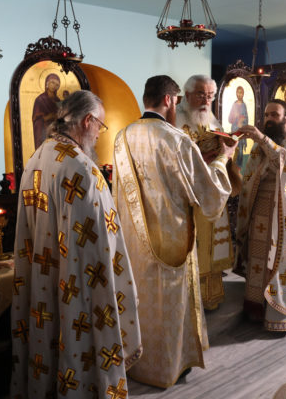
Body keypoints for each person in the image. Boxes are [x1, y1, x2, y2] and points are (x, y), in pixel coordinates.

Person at [11, 90, 142, 398]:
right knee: (77, 343)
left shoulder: (37, 157)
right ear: (87, 121)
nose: (98, 134)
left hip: (43, 277)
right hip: (75, 288)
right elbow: (99, 245)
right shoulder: (81, 167)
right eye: (100, 126)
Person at [114, 75, 235, 387]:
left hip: (134, 241)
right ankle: (170, 367)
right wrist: (223, 159)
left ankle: (137, 362)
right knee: (169, 305)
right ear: (168, 99)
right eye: (177, 100)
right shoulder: (176, 139)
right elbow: (209, 193)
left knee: (142, 301)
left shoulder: (122, 136)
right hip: (172, 238)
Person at [234, 99, 286, 332]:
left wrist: (262, 140)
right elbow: (250, 174)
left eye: (274, 115)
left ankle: (277, 313)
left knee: (279, 260)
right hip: (260, 210)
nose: (268, 119)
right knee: (258, 258)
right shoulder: (261, 145)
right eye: (266, 115)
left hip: (283, 216)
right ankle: (255, 307)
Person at [175, 74, 240, 310]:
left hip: (212, 192)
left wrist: (226, 153)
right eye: (201, 94)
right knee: (194, 247)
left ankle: (209, 297)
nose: (206, 100)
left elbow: (222, 154)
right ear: (188, 94)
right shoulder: (175, 121)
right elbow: (174, 160)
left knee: (210, 245)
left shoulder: (213, 121)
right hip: (190, 198)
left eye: (210, 96)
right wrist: (203, 158)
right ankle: (190, 301)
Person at [32, 73, 62, 149]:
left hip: (55, 132)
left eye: (57, 85)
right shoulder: (40, 99)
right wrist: (48, 117)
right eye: (52, 83)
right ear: (47, 83)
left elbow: (61, 117)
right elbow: (36, 120)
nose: (54, 86)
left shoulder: (58, 100)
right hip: (43, 132)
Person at [228, 85, 250, 169]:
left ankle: (238, 168)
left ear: (243, 94)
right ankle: (232, 167)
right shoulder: (234, 104)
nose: (239, 94)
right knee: (233, 149)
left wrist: (242, 121)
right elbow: (230, 119)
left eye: (241, 93)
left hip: (241, 131)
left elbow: (246, 118)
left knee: (240, 151)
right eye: (238, 92)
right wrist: (235, 117)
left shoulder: (244, 105)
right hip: (234, 130)